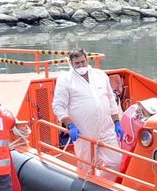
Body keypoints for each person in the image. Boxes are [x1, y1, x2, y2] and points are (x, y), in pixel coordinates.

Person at [50, 48, 122, 177]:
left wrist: (117, 122)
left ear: (87, 60)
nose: (81, 65)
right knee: (85, 166)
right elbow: (58, 106)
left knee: (116, 160)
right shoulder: (65, 80)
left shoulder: (100, 75)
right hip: (84, 132)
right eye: (77, 63)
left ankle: (103, 187)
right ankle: (86, 189)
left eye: (83, 61)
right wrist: (70, 125)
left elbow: (111, 99)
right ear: (71, 63)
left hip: (106, 128)